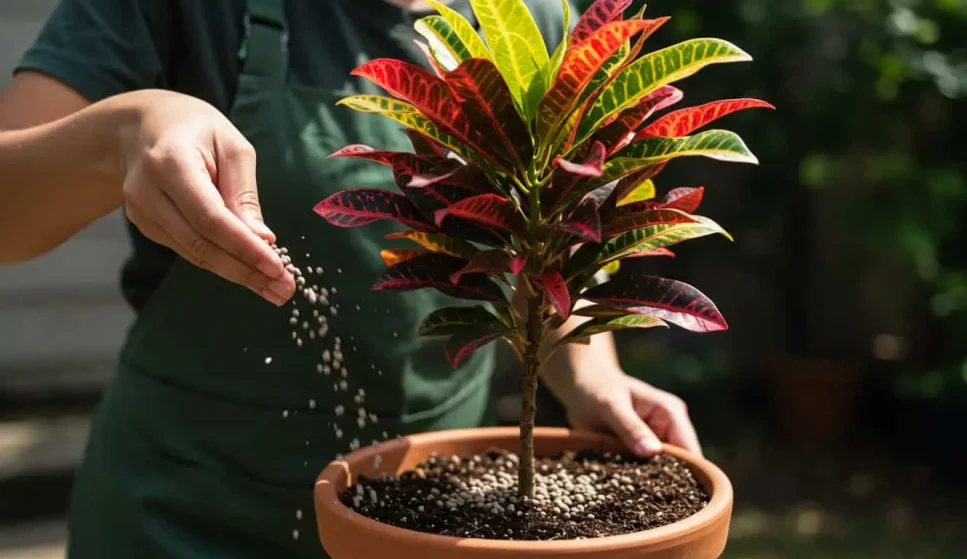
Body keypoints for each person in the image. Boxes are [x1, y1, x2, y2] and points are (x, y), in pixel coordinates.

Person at [0, 0, 702, 556]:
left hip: (433, 520)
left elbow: (543, 237)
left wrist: (589, 371)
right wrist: (126, 130)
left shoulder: (527, 19)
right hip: (181, 514)